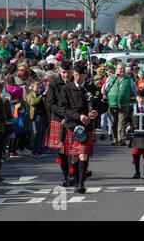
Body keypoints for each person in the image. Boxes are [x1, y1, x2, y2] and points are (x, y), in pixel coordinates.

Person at [59, 61, 106, 193]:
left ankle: (81, 183)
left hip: (87, 127)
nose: (77, 77)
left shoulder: (91, 88)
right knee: (74, 156)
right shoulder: (66, 89)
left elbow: (103, 104)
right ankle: (76, 179)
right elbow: (64, 108)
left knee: (83, 154)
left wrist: (97, 112)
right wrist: (78, 116)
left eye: (80, 75)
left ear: (86, 75)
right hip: (72, 126)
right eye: (75, 75)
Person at [46, 59, 74, 187]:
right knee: (62, 151)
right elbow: (50, 104)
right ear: (59, 71)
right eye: (64, 72)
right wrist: (65, 112)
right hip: (59, 119)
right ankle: (66, 175)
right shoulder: (53, 83)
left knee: (74, 150)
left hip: (74, 120)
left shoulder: (76, 82)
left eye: (68, 72)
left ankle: (74, 174)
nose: (66, 75)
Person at [102, 62, 137, 146]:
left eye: (123, 68)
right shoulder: (111, 78)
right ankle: (115, 139)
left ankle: (121, 139)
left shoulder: (129, 79)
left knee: (121, 123)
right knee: (113, 123)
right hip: (112, 104)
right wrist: (104, 94)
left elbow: (135, 90)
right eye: (120, 68)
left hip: (124, 105)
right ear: (116, 69)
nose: (122, 70)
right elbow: (104, 89)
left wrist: (134, 97)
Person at [26, 81, 48, 156]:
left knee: (42, 133)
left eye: (39, 87)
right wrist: (41, 96)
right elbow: (33, 103)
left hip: (42, 115)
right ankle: (34, 150)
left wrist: (44, 96)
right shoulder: (30, 95)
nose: (38, 89)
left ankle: (39, 149)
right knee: (35, 133)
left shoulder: (40, 95)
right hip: (35, 116)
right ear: (32, 88)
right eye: (37, 87)